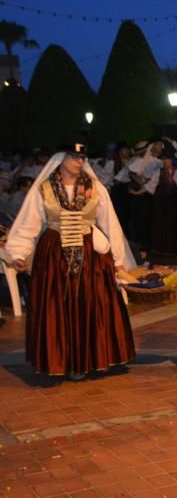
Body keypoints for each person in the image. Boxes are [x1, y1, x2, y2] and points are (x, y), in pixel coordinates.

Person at [2, 144, 136, 379]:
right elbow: (28, 223)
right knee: (58, 307)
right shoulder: (44, 190)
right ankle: (61, 359)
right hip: (55, 255)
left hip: (90, 255)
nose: (79, 161)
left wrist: (117, 259)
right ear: (61, 158)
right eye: (74, 157)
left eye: (82, 157)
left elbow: (110, 223)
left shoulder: (95, 188)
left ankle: (90, 358)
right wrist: (19, 254)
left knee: (91, 305)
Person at [127, 140, 164, 256]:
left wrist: (138, 189)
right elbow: (132, 174)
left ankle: (144, 250)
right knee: (137, 222)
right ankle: (138, 249)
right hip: (138, 195)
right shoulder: (138, 161)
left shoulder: (156, 162)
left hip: (146, 196)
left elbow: (148, 183)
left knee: (145, 222)